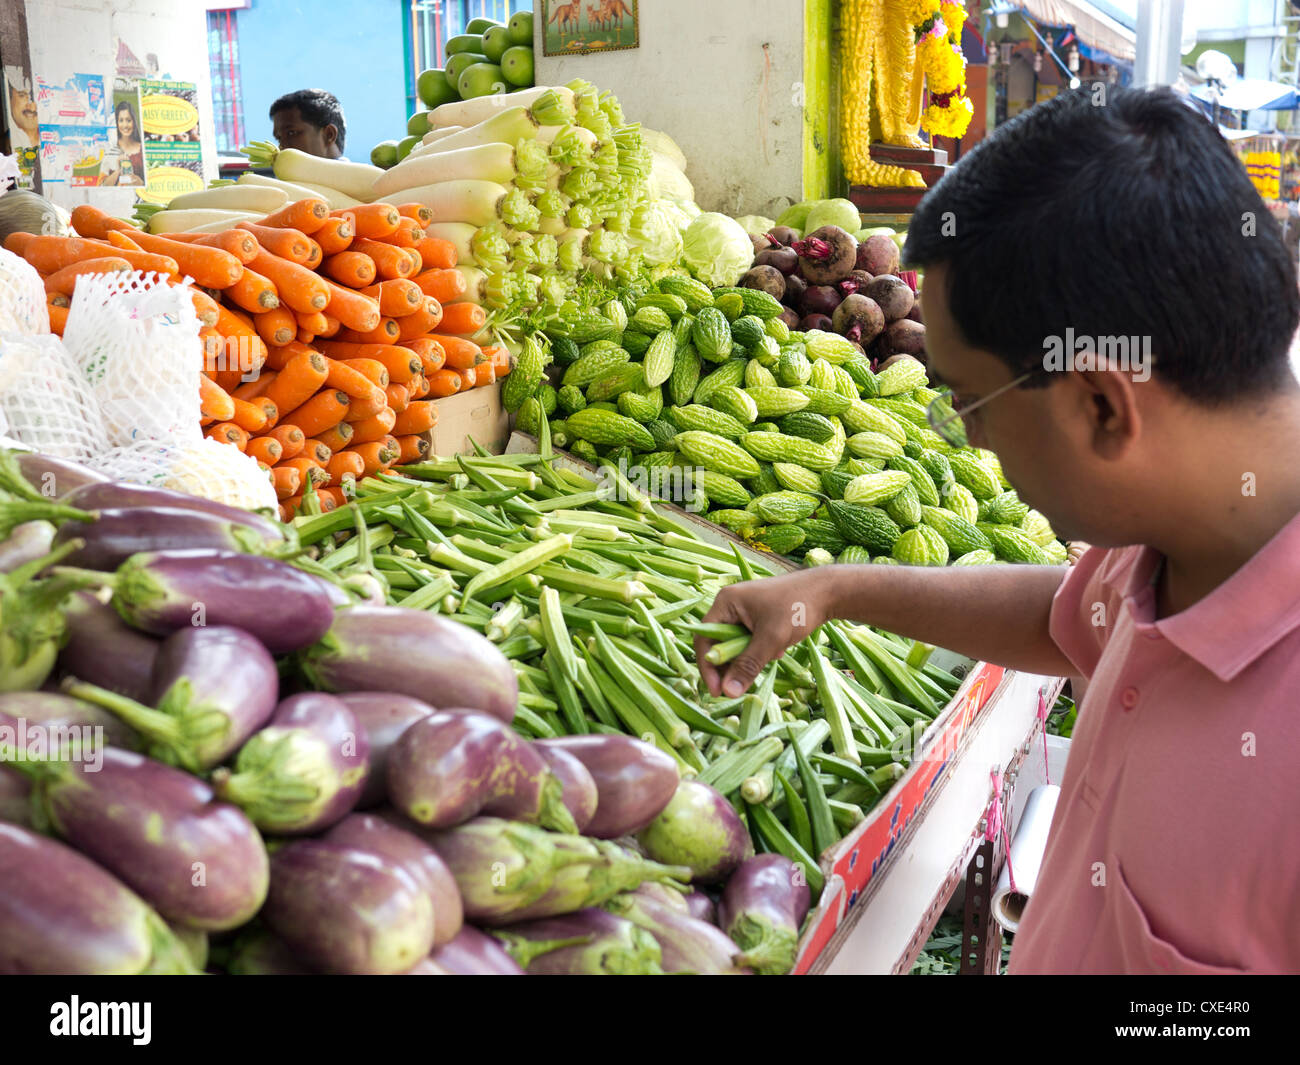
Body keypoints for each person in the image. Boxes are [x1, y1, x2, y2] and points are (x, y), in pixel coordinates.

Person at [695, 85, 1300, 975]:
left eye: (968, 401)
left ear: (1099, 402)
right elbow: (1067, 613)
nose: (963, 435)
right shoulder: (1178, 541)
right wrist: (832, 589)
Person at [269, 89, 346, 159]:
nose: (281, 147)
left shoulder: (356, 174)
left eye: (291, 133)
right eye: (279, 138)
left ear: (329, 134)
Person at [99, 100, 145, 187]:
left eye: (128, 120)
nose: (125, 125)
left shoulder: (142, 150)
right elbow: (102, 185)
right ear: (116, 123)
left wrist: (140, 183)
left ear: (134, 121)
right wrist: (118, 171)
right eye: (121, 120)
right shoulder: (110, 149)